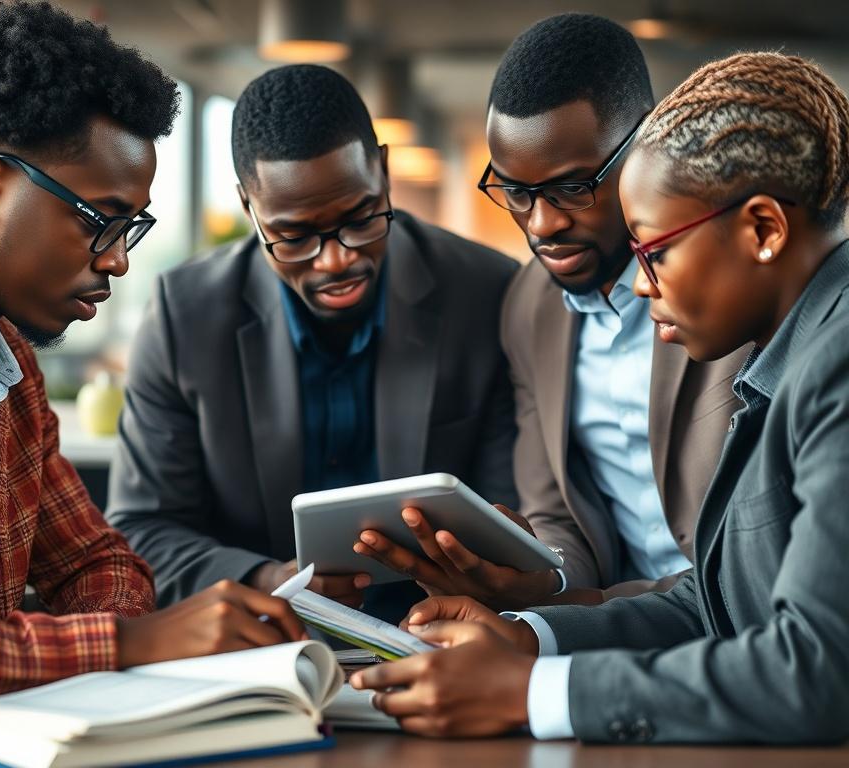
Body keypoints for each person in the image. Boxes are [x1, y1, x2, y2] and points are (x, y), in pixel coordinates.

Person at [0, 0, 303, 725]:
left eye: (130, 229)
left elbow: (99, 567)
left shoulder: (5, 359)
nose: (115, 260)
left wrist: (128, 633)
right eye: (97, 220)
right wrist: (130, 644)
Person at [352, 50, 849, 745]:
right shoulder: (794, 350)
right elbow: (716, 605)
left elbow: (818, 671)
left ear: (763, 229)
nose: (640, 286)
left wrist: (532, 694)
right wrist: (528, 640)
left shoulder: (836, 360)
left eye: (656, 252)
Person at [354, 13, 748, 609]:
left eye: (572, 188)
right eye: (515, 192)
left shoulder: (737, 286)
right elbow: (559, 516)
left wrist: (571, 618)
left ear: (645, 144)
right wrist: (540, 576)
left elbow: (751, 568)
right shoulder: (529, 306)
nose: (542, 226)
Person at [106, 64, 519, 619]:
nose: (337, 259)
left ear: (385, 172)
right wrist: (272, 580)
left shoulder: (485, 292)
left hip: (449, 630)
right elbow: (142, 530)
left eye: (361, 217)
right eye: (295, 236)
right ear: (249, 209)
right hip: (264, 638)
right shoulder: (187, 316)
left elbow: (513, 514)